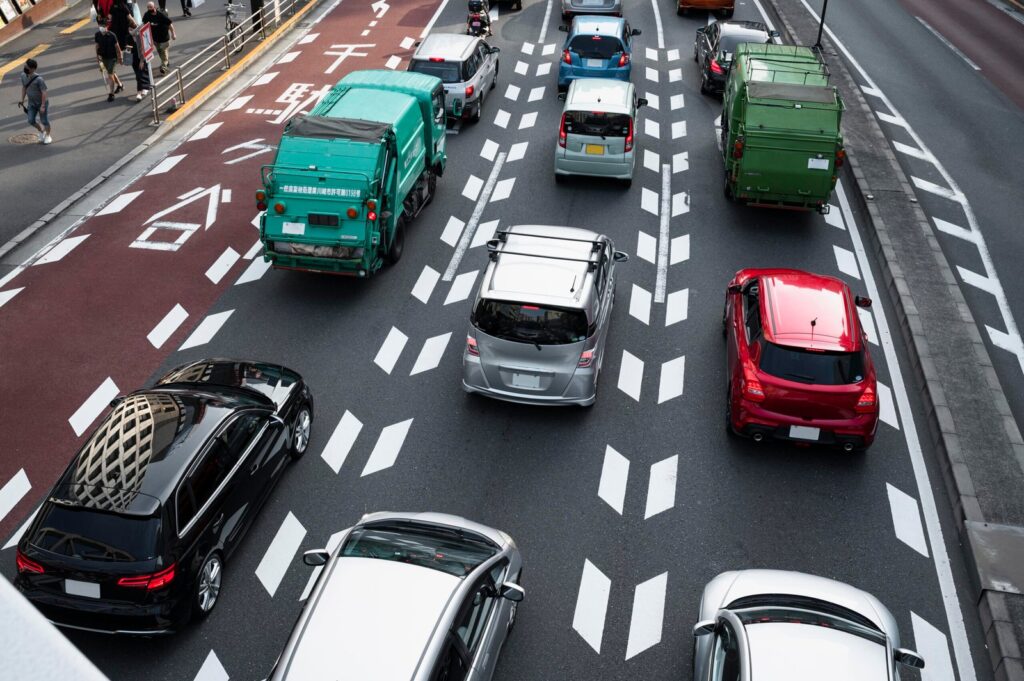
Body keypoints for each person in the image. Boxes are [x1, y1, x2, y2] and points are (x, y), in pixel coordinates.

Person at [18, 59, 52, 145]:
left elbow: (44, 92)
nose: (25, 68)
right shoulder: (23, 75)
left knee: (44, 121)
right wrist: (22, 99)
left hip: (41, 103)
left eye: (27, 67)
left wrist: (43, 105)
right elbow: (24, 87)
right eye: (25, 66)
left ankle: (48, 135)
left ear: (33, 69)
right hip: (31, 103)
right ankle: (41, 131)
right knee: (31, 120)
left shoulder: (39, 79)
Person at [95, 18, 124, 102]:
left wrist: (120, 57)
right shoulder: (97, 35)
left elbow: (117, 47)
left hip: (112, 58)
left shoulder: (112, 35)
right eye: (100, 26)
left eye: (103, 26)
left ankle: (111, 93)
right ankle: (120, 85)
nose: (101, 27)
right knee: (112, 73)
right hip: (103, 58)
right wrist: (97, 57)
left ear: (107, 26)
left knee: (110, 74)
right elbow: (97, 46)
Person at [142, 2, 175, 74]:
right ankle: (166, 62)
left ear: (154, 7)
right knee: (160, 52)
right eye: (148, 7)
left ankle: (163, 67)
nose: (149, 9)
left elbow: (169, 24)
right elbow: (144, 25)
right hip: (155, 39)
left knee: (163, 51)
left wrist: (173, 34)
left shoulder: (161, 15)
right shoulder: (147, 15)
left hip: (164, 38)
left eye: (150, 7)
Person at [126, 31, 152, 101]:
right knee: (138, 75)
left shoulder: (140, 37)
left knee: (140, 75)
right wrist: (128, 48)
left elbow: (144, 48)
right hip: (133, 59)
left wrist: (142, 60)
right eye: (129, 29)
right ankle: (144, 88)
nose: (131, 30)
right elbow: (127, 48)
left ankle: (139, 93)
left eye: (132, 28)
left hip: (141, 59)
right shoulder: (128, 37)